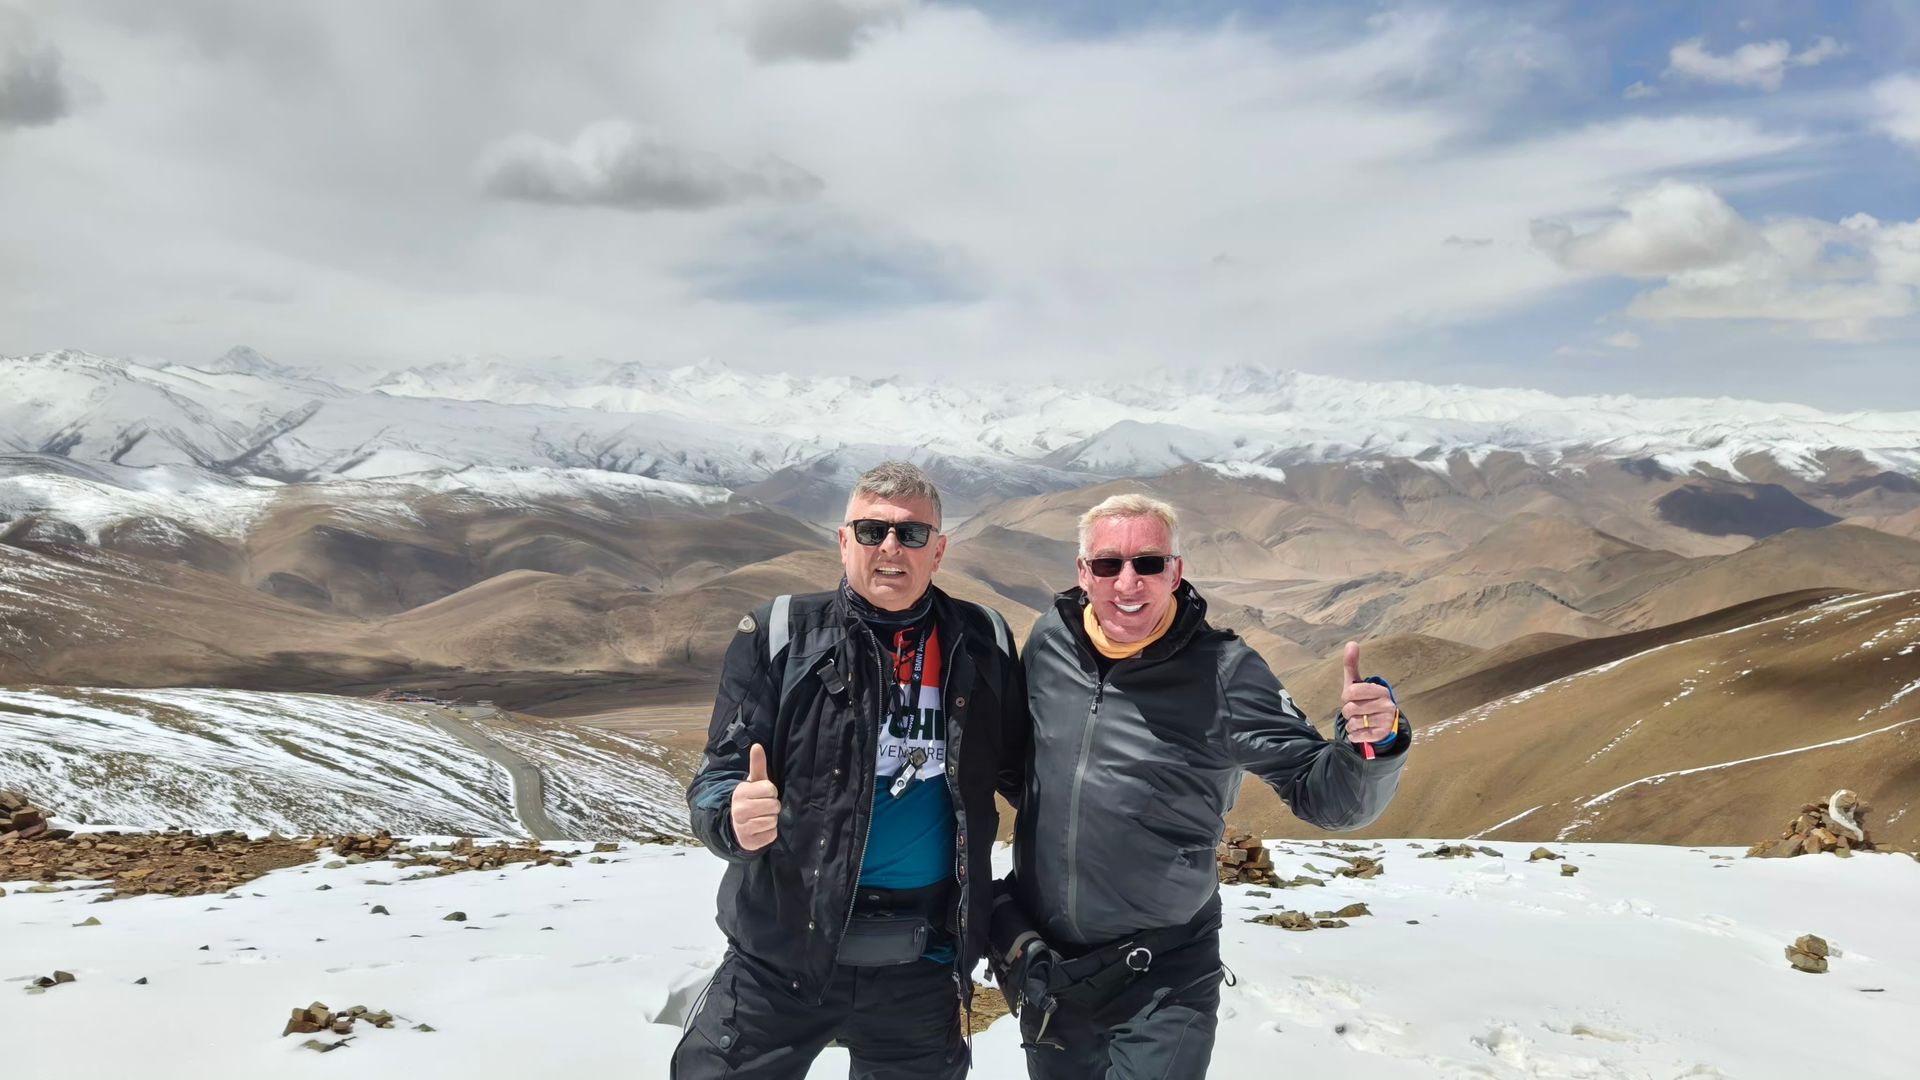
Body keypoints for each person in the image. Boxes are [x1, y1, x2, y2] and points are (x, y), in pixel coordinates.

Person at [992, 493, 1410, 1080]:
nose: (1128, 582)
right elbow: (1028, 767)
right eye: (1108, 564)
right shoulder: (1049, 642)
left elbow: (1329, 800)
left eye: (1149, 563)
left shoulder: (1225, 671)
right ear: (1083, 573)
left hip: (1161, 975)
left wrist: (1372, 747)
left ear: (1176, 571)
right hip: (1050, 972)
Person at [675, 461, 1026, 1080]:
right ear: (844, 541)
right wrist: (729, 818)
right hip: (783, 947)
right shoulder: (779, 633)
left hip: (923, 959)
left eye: (912, 535)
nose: (890, 548)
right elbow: (718, 775)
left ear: (938, 551)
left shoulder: (982, 639)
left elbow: (1022, 772)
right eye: (871, 531)